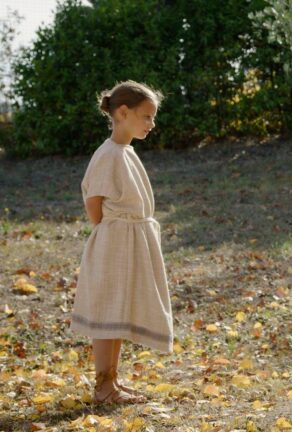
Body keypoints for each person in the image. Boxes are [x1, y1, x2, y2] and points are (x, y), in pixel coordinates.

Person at [71, 80, 173, 404]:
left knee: (118, 312)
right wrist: (112, 229)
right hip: (115, 240)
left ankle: (111, 383)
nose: (151, 124)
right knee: (107, 314)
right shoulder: (108, 154)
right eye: (146, 116)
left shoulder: (125, 152)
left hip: (129, 240)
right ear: (124, 112)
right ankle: (103, 387)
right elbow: (94, 202)